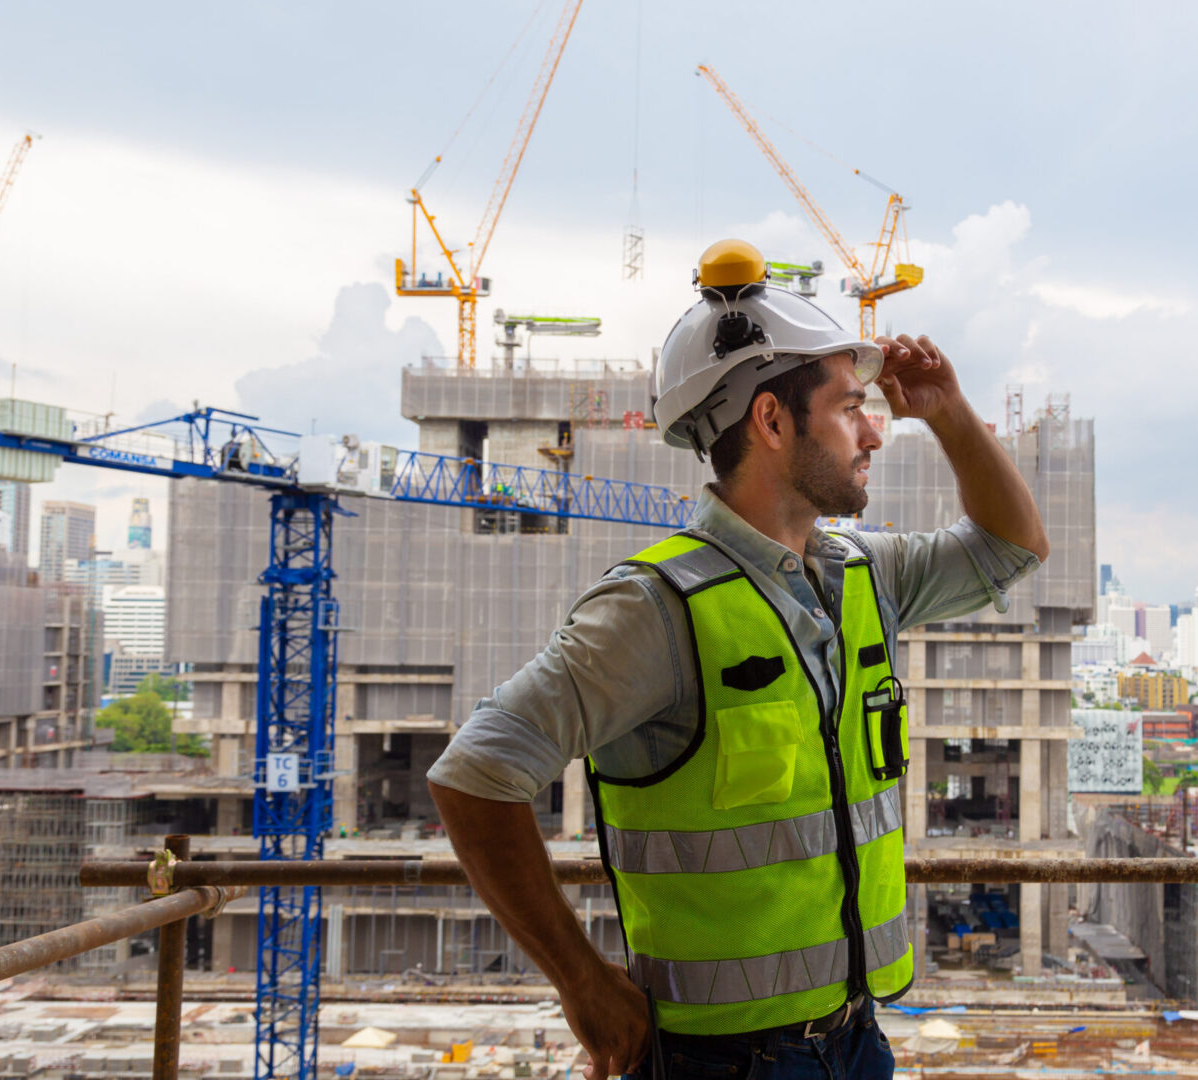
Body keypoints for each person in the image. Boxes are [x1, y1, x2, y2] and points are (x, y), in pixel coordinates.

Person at [427, 239, 1050, 1080]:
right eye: (848, 407)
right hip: (720, 1063)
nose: (874, 432)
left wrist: (947, 410)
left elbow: (1010, 546)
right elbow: (475, 773)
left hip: (858, 1040)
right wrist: (581, 984)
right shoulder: (656, 609)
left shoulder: (863, 574)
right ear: (770, 421)